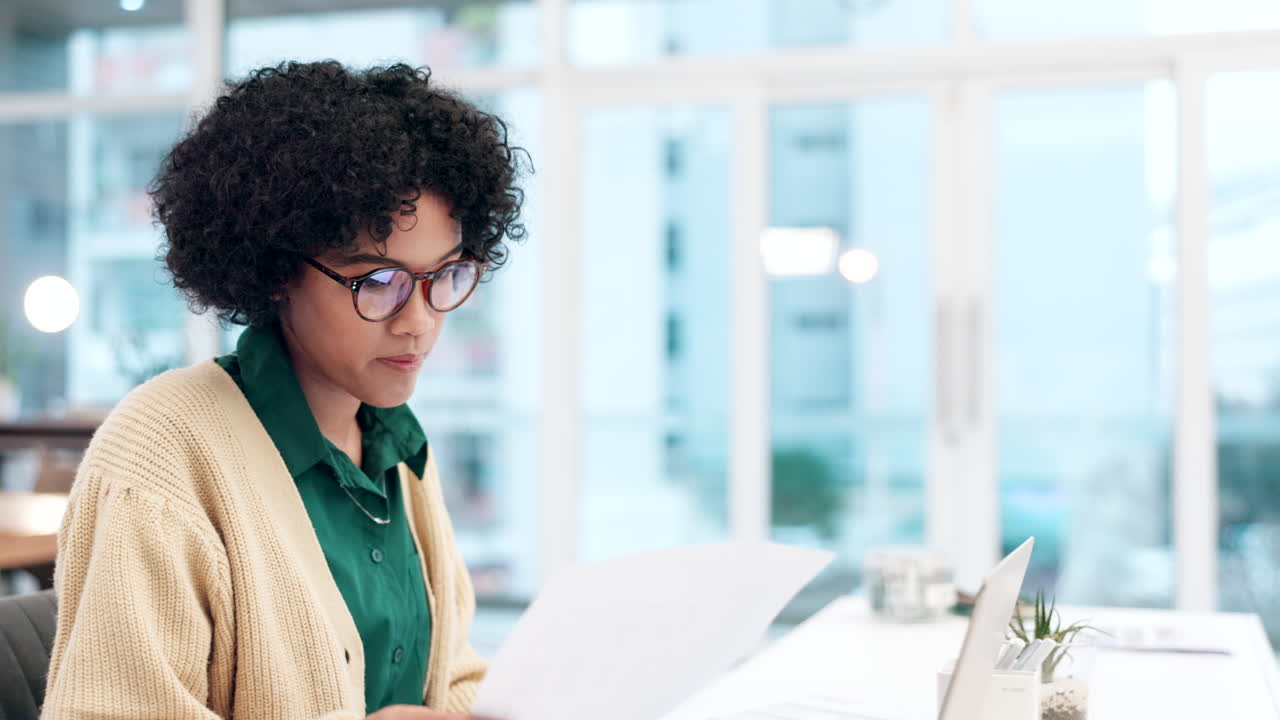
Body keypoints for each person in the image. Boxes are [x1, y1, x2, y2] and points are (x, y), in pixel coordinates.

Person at [42, 60, 529, 720]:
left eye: (444, 275)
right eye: (377, 281)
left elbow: (447, 677)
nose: (419, 321)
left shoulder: (397, 449)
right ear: (276, 274)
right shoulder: (162, 454)